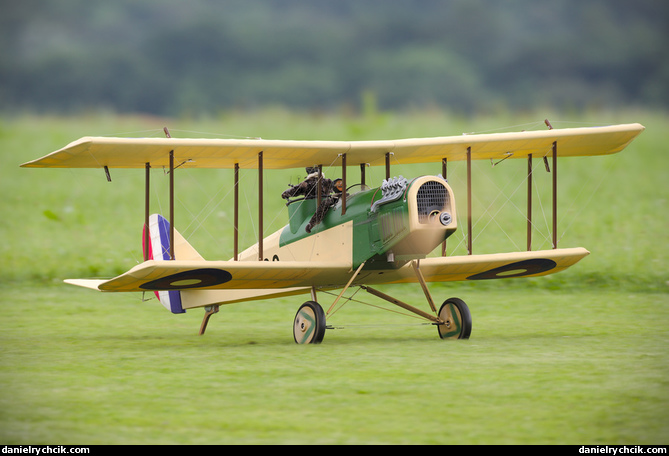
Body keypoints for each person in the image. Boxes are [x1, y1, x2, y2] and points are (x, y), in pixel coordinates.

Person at [281, 167, 343, 233]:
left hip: (312, 207)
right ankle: (312, 223)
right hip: (328, 203)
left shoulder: (305, 183)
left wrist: (284, 194)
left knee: (324, 204)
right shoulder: (328, 181)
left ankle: (311, 224)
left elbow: (292, 191)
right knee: (326, 202)